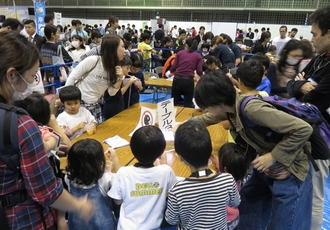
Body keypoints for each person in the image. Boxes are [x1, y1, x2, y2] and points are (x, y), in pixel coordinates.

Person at [193, 69, 313, 230]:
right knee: (248, 207)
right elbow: (205, 119)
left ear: (217, 102)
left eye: (206, 105)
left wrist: (273, 156)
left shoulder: (252, 109)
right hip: (265, 168)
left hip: (291, 169)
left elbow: (303, 129)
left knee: (285, 224)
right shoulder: (229, 109)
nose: (205, 109)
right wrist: (180, 129)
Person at [0, 30, 94, 230]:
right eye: (33, 76)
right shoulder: (20, 124)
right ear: (11, 74)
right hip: (21, 219)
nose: (35, 83)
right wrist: (78, 205)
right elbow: (44, 190)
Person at [287, 6, 330, 230]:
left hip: (322, 138)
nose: (311, 39)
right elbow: (292, 84)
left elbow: (315, 101)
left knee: (315, 193)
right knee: (303, 190)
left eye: (314, 34)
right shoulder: (321, 58)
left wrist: (301, 87)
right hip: (305, 131)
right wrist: (300, 85)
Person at [165, 120, 240, 229]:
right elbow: (235, 202)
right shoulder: (228, 179)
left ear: (179, 156)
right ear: (211, 147)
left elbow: (171, 220)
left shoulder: (177, 190)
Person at [108, 125, 177, 229]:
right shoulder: (166, 171)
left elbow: (117, 201)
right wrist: (164, 163)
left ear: (132, 150)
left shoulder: (123, 172)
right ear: (161, 152)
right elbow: (171, 194)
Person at [65, 35, 126, 123]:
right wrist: (67, 100)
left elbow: (111, 93)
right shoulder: (93, 60)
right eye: (122, 47)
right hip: (78, 104)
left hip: (95, 106)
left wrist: (120, 78)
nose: (125, 50)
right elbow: (73, 77)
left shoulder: (115, 68)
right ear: (113, 48)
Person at [65, 139, 121, 230]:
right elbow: (121, 179)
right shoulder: (106, 179)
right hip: (103, 226)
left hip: (77, 225)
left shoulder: (68, 177)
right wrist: (114, 158)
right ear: (100, 163)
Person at [218, 143, 248, 230]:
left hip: (225, 220)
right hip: (236, 217)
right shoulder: (243, 178)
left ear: (225, 169)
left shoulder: (222, 183)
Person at [170, 37, 203, 107]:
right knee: (187, 104)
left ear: (186, 45)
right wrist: (201, 76)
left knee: (174, 103)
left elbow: (173, 67)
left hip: (177, 79)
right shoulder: (198, 56)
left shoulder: (179, 53)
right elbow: (199, 71)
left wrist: (170, 72)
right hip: (188, 81)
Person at [40, 25, 73, 91]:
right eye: (58, 33)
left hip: (47, 78)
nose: (59, 35)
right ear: (53, 35)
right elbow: (70, 61)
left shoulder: (42, 47)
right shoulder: (58, 47)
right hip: (58, 78)